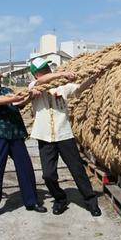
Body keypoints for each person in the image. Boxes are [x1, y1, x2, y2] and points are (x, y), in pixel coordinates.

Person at [28, 58, 102, 216]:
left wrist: (93, 77)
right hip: (45, 136)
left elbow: (79, 90)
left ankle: (91, 201)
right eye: (43, 68)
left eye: (48, 66)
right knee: (48, 174)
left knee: (77, 170)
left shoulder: (61, 85)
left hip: (64, 134)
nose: (48, 69)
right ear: (36, 74)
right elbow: (42, 81)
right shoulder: (33, 87)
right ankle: (60, 199)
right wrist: (62, 73)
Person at [0, 63, 46, 218]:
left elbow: (18, 104)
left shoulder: (7, 90)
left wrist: (29, 98)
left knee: (25, 168)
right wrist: (11, 98)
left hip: (15, 133)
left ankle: (31, 201)